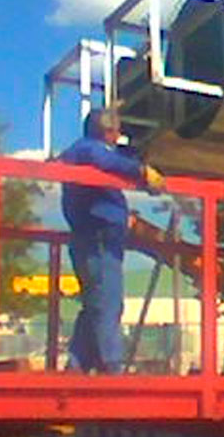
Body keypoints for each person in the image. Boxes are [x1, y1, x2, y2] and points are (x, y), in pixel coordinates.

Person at [59, 108, 165, 373]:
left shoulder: (81, 151)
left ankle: (77, 365)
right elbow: (108, 160)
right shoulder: (89, 151)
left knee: (96, 303)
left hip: (93, 238)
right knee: (108, 302)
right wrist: (141, 172)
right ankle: (112, 367)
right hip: (99, 239)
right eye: (116, 132)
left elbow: (113, 159)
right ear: (107, 131)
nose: (119, 137)